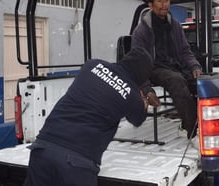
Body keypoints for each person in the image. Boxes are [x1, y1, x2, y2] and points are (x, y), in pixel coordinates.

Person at [23, 47, 156, 186]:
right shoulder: (132, 95)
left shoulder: (92, 65)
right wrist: (144, 101)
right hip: (77, 161)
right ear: (142, 74)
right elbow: (138, 119)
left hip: (43, 148)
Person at [131, 0, 201, 147]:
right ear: (150, 5)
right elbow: (137, 62)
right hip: (153, 69)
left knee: (201, 82)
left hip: (174, 66)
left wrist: (194, 66)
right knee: (176, 81)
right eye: (159, 1)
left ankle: (186, 125)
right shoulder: (141, 31)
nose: (164, 5)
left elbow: (185, 51)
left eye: (166, 0)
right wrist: (146, 89)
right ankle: (193, 132)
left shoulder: (175, 25)